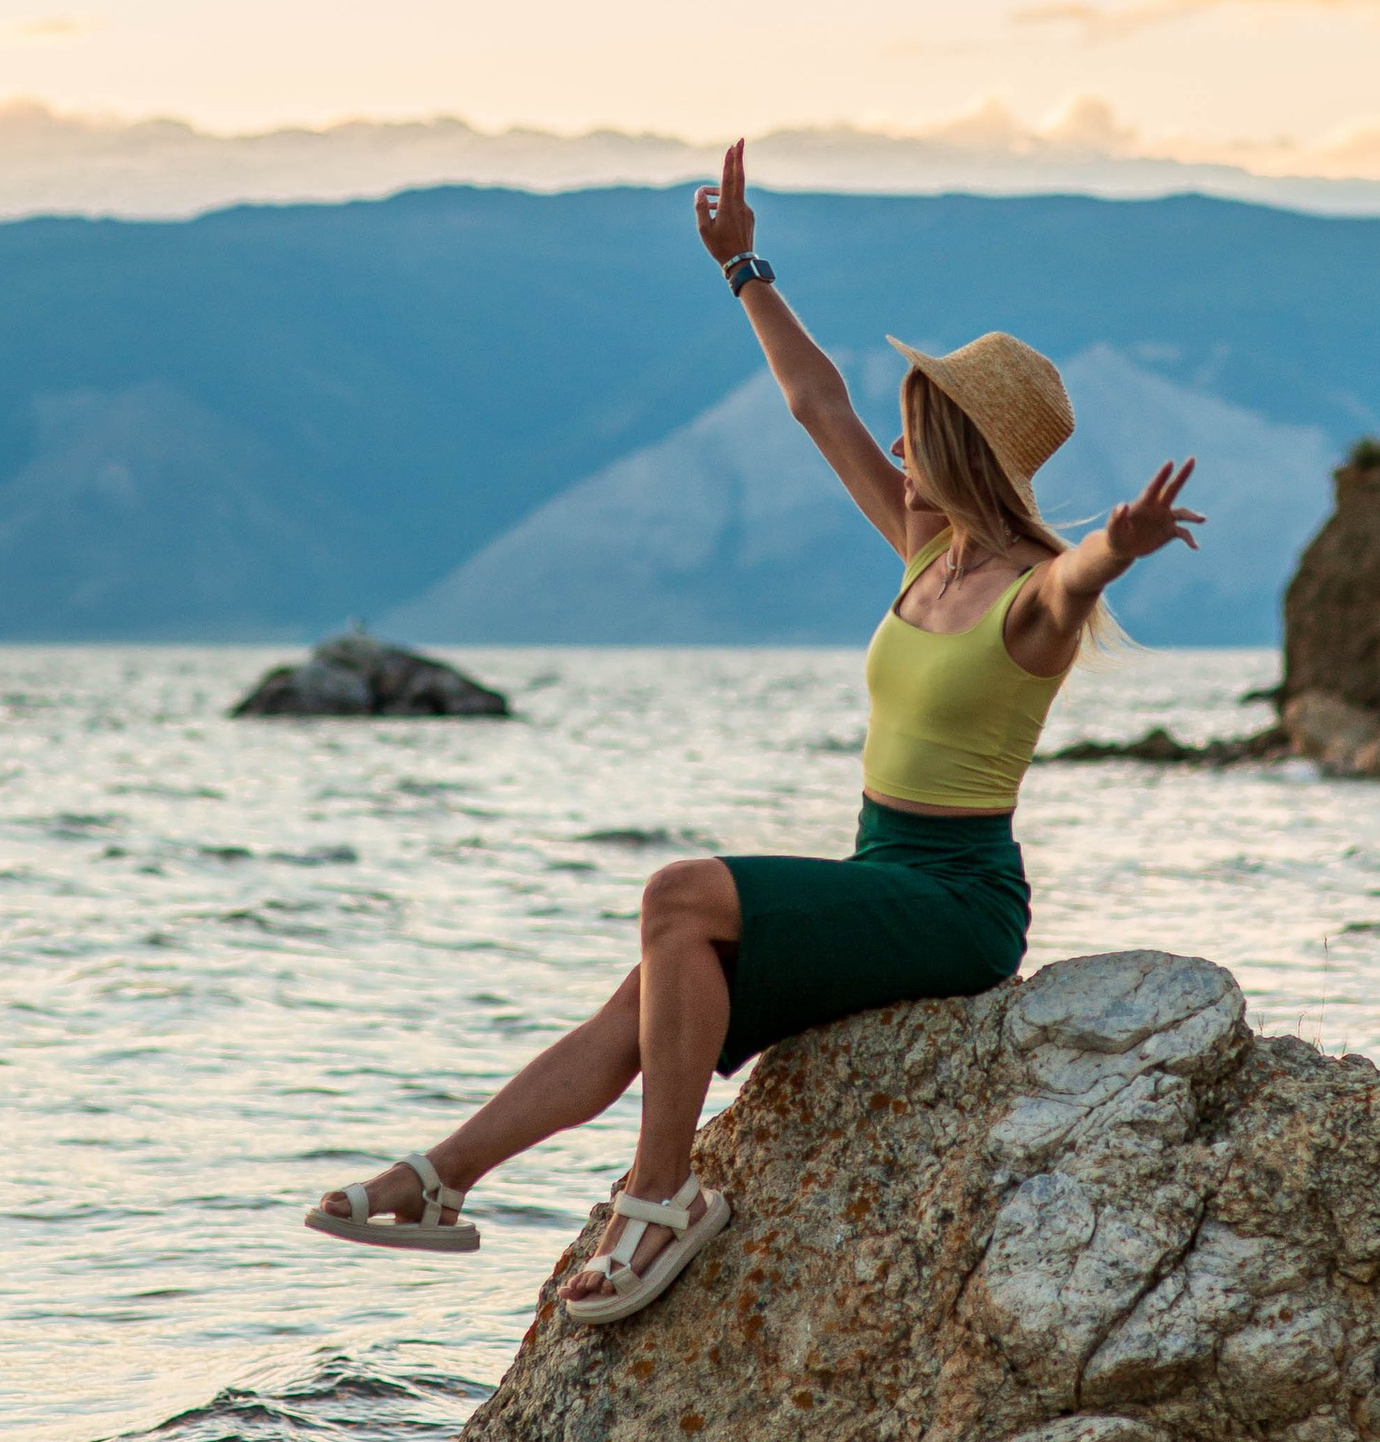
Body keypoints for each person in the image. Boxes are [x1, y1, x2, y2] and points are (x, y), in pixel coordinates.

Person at [306, 140, 1204, 1325]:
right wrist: (743, 267)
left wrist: (1115, 546)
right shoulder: (924, 552)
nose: (890, 449)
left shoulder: (1028, 595)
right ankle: (439, 1179)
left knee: (681, 894)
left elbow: (1076, 580)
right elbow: (814, 400)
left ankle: (661, 1191)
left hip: (957, 903)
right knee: (652, 993)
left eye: (913, 432)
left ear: (956, 453)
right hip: (882, 870)